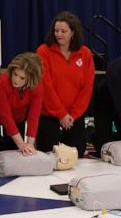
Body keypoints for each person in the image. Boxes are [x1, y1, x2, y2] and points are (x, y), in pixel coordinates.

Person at [36, 11, 95, 157]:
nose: (59, 34)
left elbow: (87, 87)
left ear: (73, 32)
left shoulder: (85, 53)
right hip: (49, 114)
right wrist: (61, 113)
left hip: (73, 116)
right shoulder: (43, 51)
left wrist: (72, 115)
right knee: (48, 153)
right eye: (56, 31)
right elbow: (46, 86)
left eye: (63, 31)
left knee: (77, 153)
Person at [0, 52, 43, 166]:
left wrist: (30, 144)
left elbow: (34, 116)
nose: (16, 79)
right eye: (15, 74)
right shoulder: (1, 83)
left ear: (31, 79)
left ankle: (0, 142)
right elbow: (6, 117)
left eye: (22, 78)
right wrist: (22, 144)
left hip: (18, 116)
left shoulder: (37, 86)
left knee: (13, 152)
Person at [90, 57, 121, 157]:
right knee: (104, 147)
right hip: (105, 100)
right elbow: (120, 102)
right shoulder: (117, 70)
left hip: (118, 100)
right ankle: (93, 134)